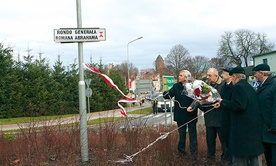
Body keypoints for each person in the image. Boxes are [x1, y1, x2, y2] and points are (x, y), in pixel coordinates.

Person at [214, 67, 264, 166]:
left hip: (242, 132)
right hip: (252, 131)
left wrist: (223, 102)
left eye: (232, 77)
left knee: (240, 159)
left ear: (235, 77)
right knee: (254, 159)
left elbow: (239, 105)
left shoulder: (238, 87)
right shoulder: (248, 86)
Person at [163, 70, 198, 159]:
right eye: (179, 75)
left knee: (192, 136)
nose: (179, 77)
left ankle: (194, 155)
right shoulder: (176, 86)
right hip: (180, 115)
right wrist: (165, 93)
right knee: (182, 135)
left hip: (191, 114)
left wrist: (193, 106)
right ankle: (181, 153)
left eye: (181, 75)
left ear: (186, 77)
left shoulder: (193, 86)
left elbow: (198, 99)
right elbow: (169, 95)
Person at [253, 64, 276, 166]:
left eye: (256, 73)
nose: (254, 75)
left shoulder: (273, 86)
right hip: (265, 130)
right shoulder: (262, 86)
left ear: (261, 73)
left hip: (272, 131)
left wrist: (274, 126)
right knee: (269, 159)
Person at [202, 68, 224, 163]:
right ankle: (210, 159)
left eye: (209, 75)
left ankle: (225, 159)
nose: (207, 77)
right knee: (210, 141)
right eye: (207, 75)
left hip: (221, 119)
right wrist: (197, 104)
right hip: (209, 118)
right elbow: (201, 100)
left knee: (224, 142)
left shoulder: (223, 85)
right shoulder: (206, 87)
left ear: (216, 75)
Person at [220, 67, 234, 165]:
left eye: (224, 73)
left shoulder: (234, 87)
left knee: (231, 138)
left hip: (231, 117)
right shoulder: (224, 86)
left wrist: (223, 103)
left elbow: (234, 103)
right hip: (224, 116)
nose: (222, 75)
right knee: (225, 139)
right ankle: (227, 157)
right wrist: (220, 103)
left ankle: (231, 159)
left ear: (229, 75)